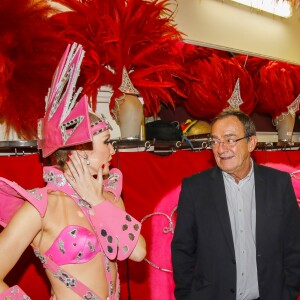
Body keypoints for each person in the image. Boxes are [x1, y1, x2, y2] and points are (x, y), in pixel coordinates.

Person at [0, 43, 146, 300]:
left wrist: (97, 200)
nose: (113, 151)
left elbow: (138, 253)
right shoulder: (41, 207)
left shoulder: (110, 197)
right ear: (80, 151)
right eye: (106, 143)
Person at [171, 110, 300, 300]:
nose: (221, 148)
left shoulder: (278, 184)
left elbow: (294, 244)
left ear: (251, 143)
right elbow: (183, 251)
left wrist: (289, 291)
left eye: (230, 140)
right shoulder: (195, 189)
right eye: (215, 141)